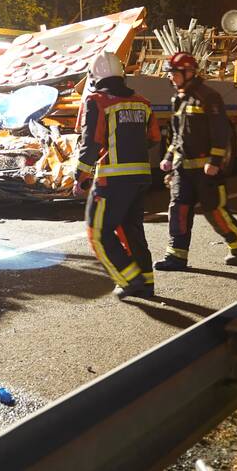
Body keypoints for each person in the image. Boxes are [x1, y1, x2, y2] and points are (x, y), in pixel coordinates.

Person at [153, 52, 237, 271]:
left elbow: (221, 131)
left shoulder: (208, 97)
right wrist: (168, 158)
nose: (171, 78)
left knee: (214, 211)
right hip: (182, 169)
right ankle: (176, 257)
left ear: (188, 73)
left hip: (206, 171)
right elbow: (177, 135)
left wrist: (215, 160)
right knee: (178, 210)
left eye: (174, 73)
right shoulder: (178, 99)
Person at [74, 51, 160, 299]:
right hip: (141, 177)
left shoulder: (97, 101)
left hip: (111, 179)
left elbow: (91, 143)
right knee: (132, 230)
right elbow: (154, 139)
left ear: (94, 76)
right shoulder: (143, 102)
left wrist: (80, 177)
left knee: (98, 231)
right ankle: (146, 282)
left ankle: (128, 278)